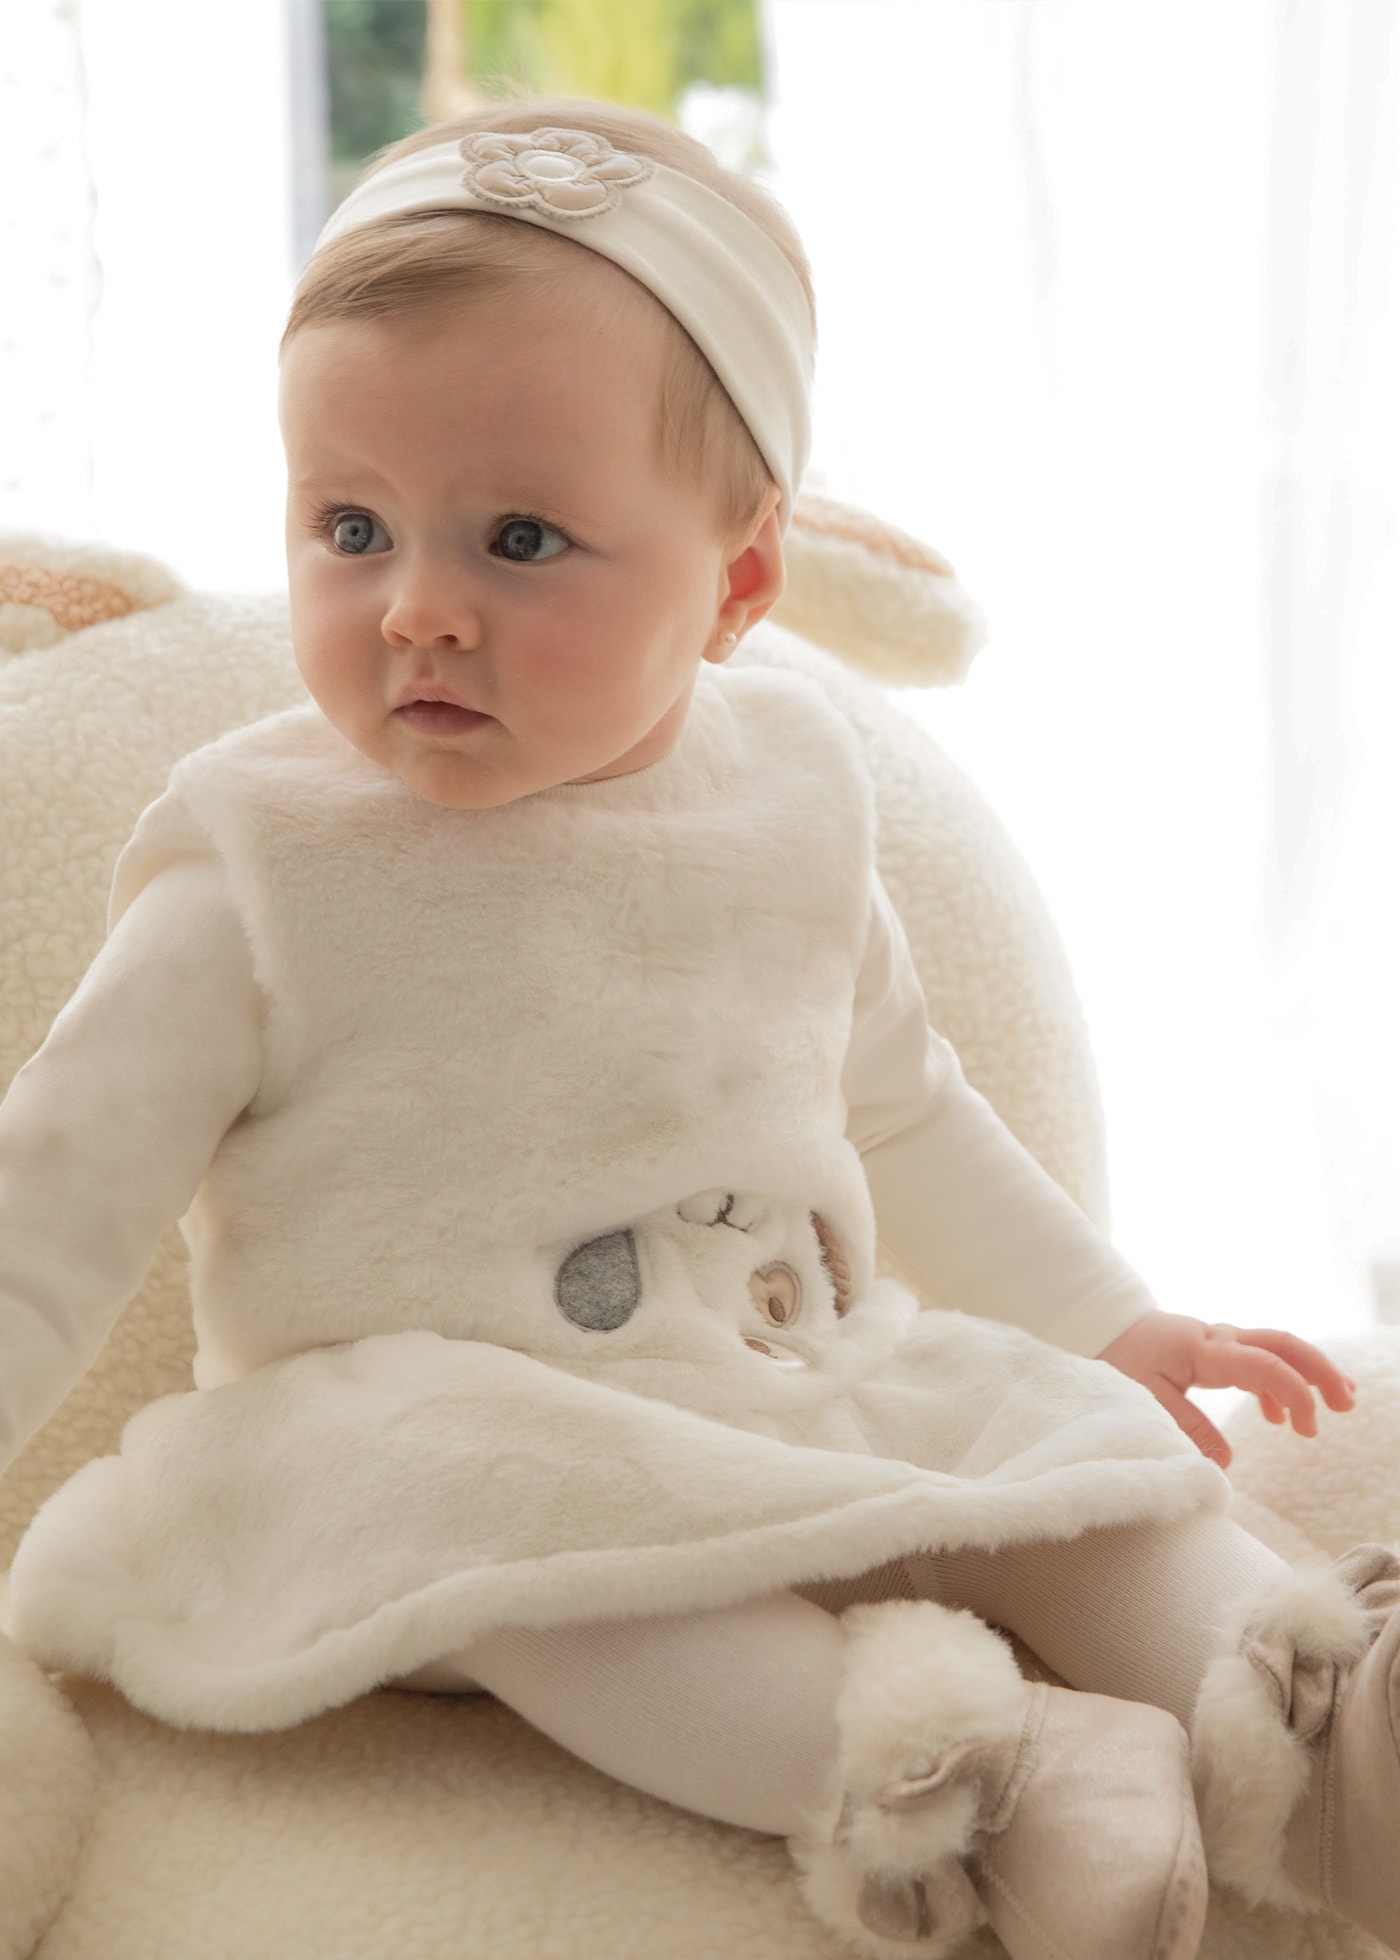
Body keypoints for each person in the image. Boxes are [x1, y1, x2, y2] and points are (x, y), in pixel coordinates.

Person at [0, 98, 1395, 1960]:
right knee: (492, 1526)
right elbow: (48, 1213)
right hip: (433, 1474)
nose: (418, 608)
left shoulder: (796, 792)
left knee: (1064, 1469)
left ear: (736, 581)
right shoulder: (257, 857)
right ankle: (992, 1781)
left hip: (786, 1386)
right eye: (351, 526)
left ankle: (1321, 1734)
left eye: (519, 538)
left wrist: (1106, 1317)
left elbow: (904, 1109)